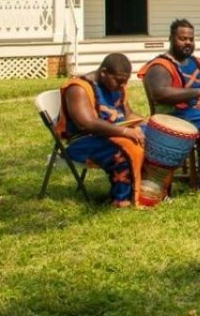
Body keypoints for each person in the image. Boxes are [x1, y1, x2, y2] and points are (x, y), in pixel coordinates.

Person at [139, 19, 200, 193]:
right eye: (182, 39)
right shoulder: (160, 66)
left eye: (191, 39)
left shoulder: (196, 62)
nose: (188, 43)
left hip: (198, 110)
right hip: (174, 113)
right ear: (171, 38)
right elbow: (160, 94)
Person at [57, 53, 145, 207]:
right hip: (84, 142)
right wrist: (125, 132)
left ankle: (148, 192)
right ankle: (122, 200)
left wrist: (146, 124)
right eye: (118, 81)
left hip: (111, 135)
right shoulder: (79, 88)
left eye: (125, 81)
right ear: (104, 73)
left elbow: (127, 114)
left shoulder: (117, 86)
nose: (122, 85)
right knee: (125, 149)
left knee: (153, 134)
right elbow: (87, 123)